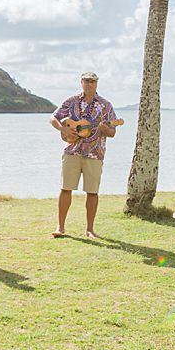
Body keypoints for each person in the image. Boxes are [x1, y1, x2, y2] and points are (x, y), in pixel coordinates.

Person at [50, 71, 117, 239]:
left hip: (95, 153)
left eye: (92, 81)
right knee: (65, 188)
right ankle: (60, 227)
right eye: (86, 81)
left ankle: (90, 229)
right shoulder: (71, 101)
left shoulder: (106, 105)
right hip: (72, 150)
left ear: (97, 83)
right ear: (81, 82)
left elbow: (112, 131)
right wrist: (63, 128)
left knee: (92, 192)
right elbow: (53, 117)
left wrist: (105, 129)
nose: (89, 84)